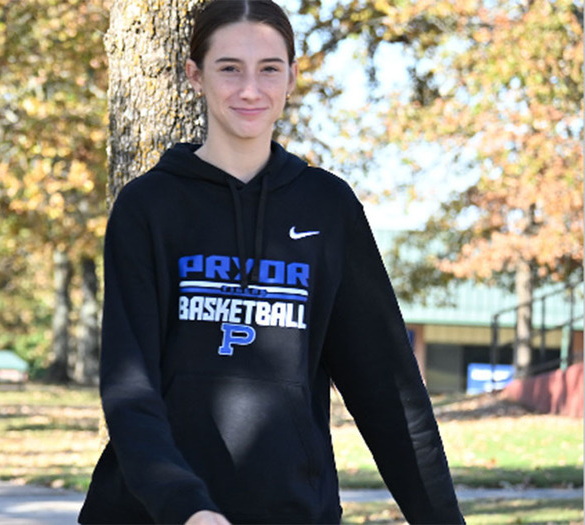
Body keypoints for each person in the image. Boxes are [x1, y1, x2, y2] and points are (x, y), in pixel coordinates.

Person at [78, 1, 464, 524]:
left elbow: (389, 394)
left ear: (292, 76)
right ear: (195, 76)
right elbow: (130, 389)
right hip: (154, 515)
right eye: (229, 68)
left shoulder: (328, 208)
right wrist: (186, 507)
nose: (250, 89)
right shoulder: (149, 207)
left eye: (269, 69)